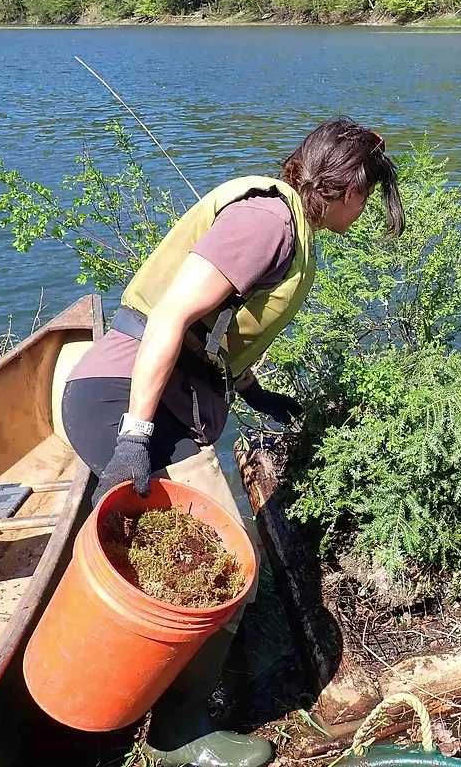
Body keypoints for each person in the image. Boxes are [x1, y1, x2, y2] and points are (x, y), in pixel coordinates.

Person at [60, 116, 405, 767]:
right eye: (367, 193)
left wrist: (249, 391)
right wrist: (134, 436)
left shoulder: (287, 227)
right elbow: (168, 316)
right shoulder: (268, 223)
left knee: (184, 561)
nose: (363, 210)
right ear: (346, 185)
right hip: (127, 397)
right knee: (228, 565)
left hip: (152, 398)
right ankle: (175, 734)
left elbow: (216, 330)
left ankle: (119, 700)